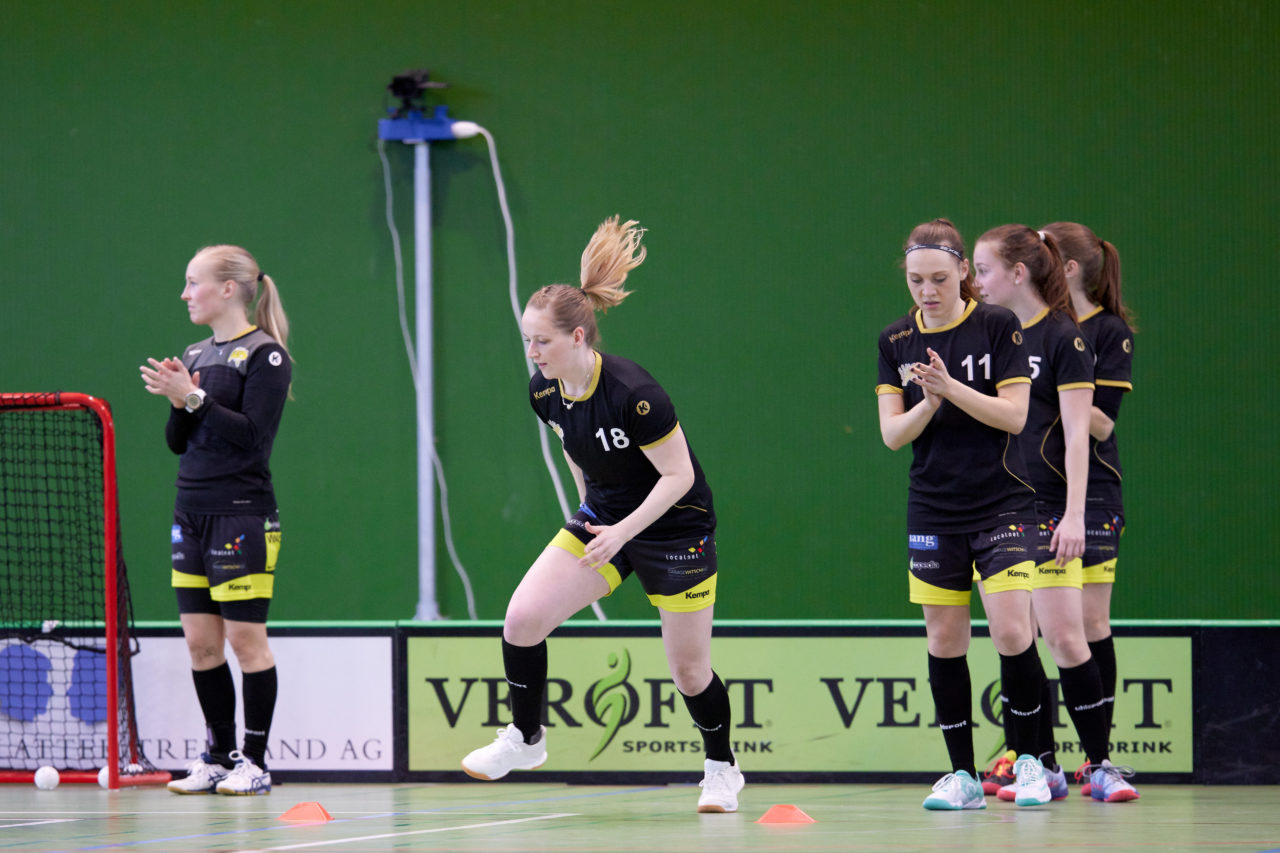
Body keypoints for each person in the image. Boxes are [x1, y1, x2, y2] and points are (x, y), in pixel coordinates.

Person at [459, 216, 744, 814]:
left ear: (581, 338)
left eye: (543, 341)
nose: (532, 352)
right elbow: (575, 450)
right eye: (527, 340)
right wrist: (589, 513)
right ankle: (526, 739)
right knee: (521, 619)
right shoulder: (544, 392)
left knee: (690, 673)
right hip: (606, 518)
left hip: (675, 526)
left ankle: (722, 769)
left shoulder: (634, 392)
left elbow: (680, 477)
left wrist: (620, 534)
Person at [876, 218, 1043, 810]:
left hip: (1001, 503)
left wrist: (950, 388)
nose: (928, 290)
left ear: (963, 273)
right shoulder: (894, 341)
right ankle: (963, 776)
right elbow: (894, 435)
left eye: (940, 278)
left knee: (1011, 631)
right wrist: (928, 401)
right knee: (945, 640)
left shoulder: (997, 326)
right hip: (933, 509)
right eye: (917, 280)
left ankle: (1030, 763)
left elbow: (1015, 416)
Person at [974, 224, 1138, 804]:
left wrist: (1073, 514)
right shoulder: (987, 333)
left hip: (1050, 506)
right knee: (1013, 637)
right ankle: (1036, 764)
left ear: (1019, 273)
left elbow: (1078, 436)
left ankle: (1101, 765)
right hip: (997, 510)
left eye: (984, 270)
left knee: (1069, 637)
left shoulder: (1066, 337)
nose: (975, 282)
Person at [139, 244, 291, 796]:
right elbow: (179, 444)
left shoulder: (266, 355)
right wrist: (179, 402)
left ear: (229, 288)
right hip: (191, 512)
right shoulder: (196, 352)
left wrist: (194, 396)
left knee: (247, 641)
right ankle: (218, 756)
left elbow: (252, 439)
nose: (184, 294)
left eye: (192, 282)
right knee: (202, 645)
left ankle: (254, 762)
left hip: (241, 515)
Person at [1041, 221, 1136, 799]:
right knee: (1039, 629)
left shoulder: (1108, 331)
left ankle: (1099, 759)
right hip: (1033, 492)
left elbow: (1099, 421)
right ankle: (1038, 759)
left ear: (1068, 267)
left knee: (1090, 626)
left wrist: (1055, 386)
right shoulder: (1032, 326)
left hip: (1094, 494)